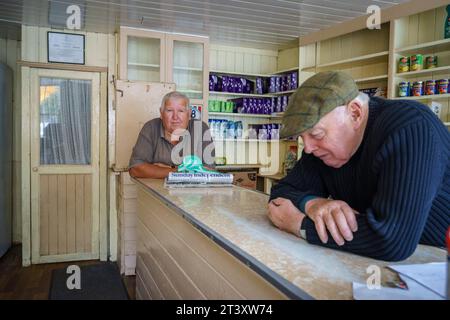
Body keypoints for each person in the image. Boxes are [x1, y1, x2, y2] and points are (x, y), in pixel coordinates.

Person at [268, 71, 450, 261]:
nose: (308, 148)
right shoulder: (322, 149)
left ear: (355, 113)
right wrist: (313, 203)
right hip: (400, 255)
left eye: (317, 134)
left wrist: (300, 224)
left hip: (440, 256)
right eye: (302, 138)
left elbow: (392, 240)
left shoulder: (411, 127)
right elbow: (282, 192)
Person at [129, 91, 215, 178]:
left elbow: (209, 171)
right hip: (155, 190)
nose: (175, 117)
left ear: (189, 114)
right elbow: (135, 169)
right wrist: (177, 170)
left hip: (192, 191)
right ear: (161, 113)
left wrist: (159, 170)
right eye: (169, 110)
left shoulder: (200, 128)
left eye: (181, 111)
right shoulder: (151, 128)